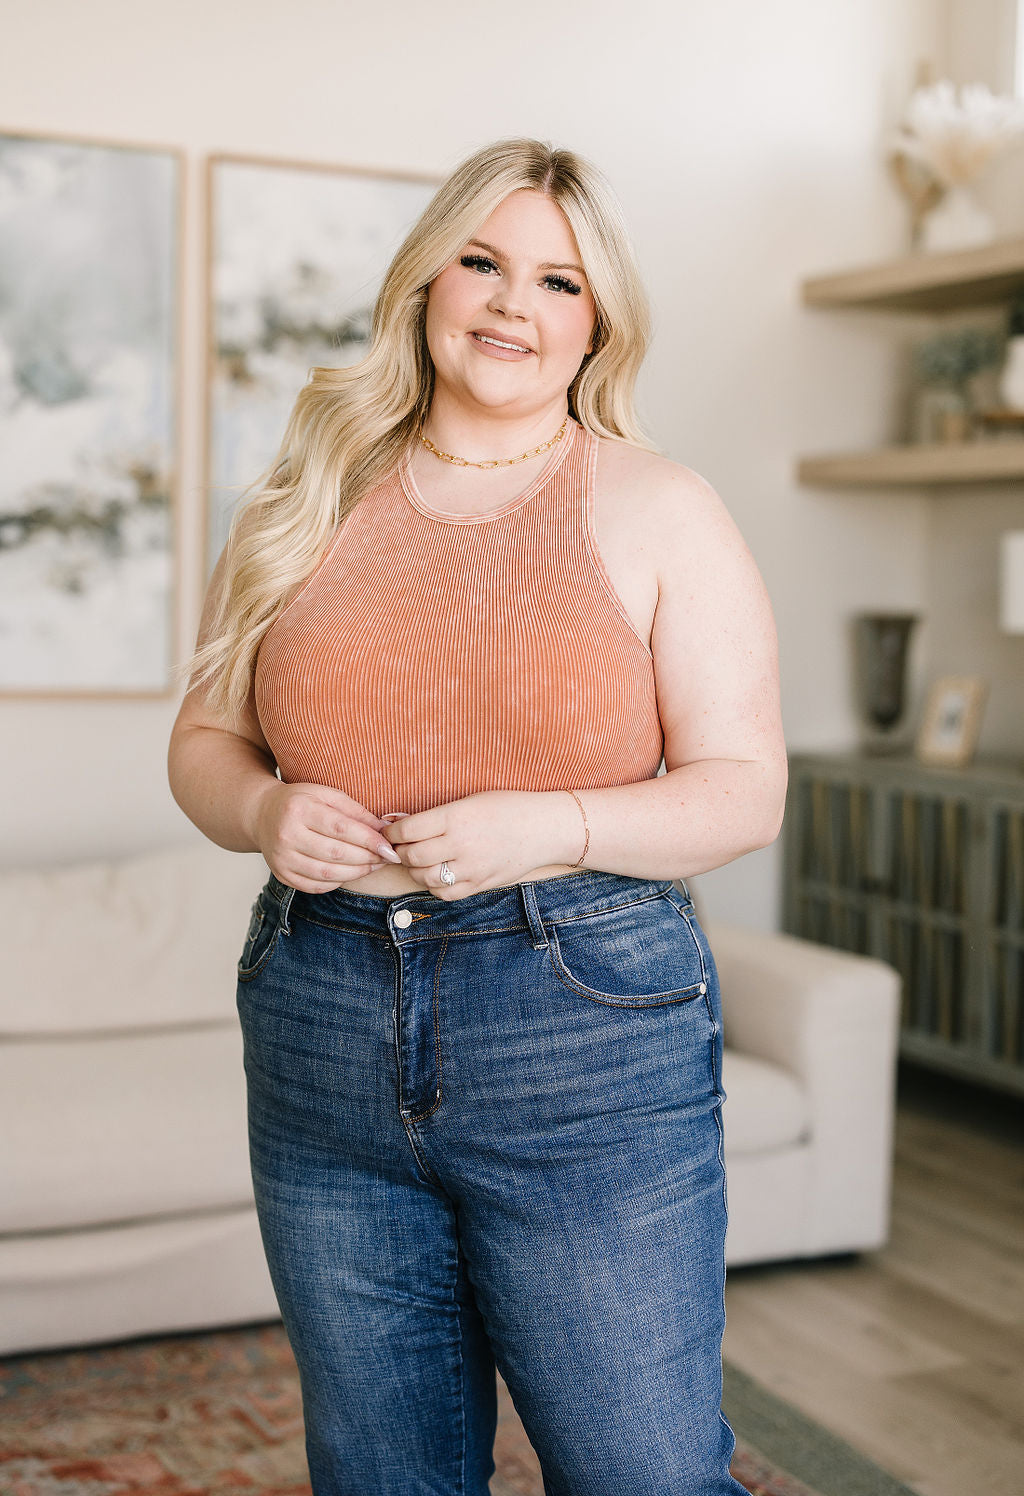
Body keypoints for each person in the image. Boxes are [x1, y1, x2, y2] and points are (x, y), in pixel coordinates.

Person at [168, 135, 787, 1496]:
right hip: (321, 1011)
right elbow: (204, 744)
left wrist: (554, 826)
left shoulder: (661, 509)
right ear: (425, 282)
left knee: (644, 1473)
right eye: (485, 262)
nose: (516, 305)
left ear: (596, 325)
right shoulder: (305, 497)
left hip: (584, 1024)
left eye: (560, 283)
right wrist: (266, 808)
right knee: (382, 1471)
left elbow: (747, 789)